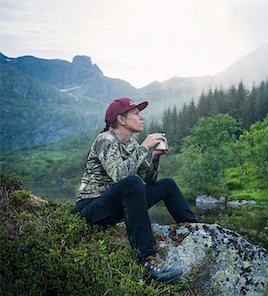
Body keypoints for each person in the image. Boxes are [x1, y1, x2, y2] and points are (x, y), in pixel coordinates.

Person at [72, 97, 198, 283]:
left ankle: (194, 230)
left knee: (168, 185)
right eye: (136, 113)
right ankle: (148, 259)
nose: (141, 117)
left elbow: (148, 179)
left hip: (115, 206)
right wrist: (144, 147)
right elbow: (119, 176)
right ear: (121, 120)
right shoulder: (105, 139)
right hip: (90, 208)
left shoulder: (131, 145)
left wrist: (154, 157)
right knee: (132, 183)